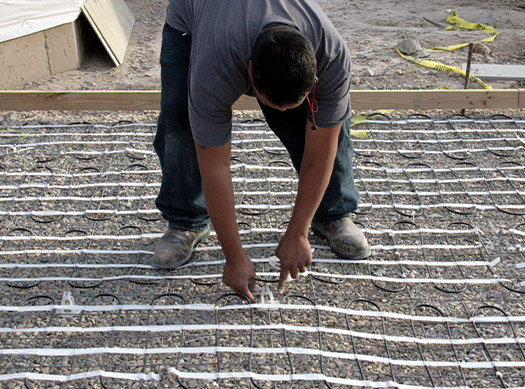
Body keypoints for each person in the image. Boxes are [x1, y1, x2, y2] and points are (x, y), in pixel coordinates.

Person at [151, 0, 371, 302]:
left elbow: (322, 150)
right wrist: (233, 257)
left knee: (330, 120)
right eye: (272, 102)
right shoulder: (214, 67)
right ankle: (185, 221)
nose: (279, 110)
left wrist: (298, 233)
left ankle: (333, 213)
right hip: (194, 20)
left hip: (249, 29)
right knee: (180, 118)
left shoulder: (331, 56)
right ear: (250, 72)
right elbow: (215, 164)